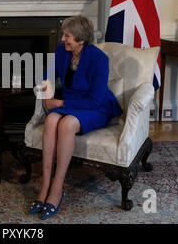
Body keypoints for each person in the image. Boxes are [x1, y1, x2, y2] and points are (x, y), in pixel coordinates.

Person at [29, 16, 123, 220]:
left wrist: (60, 104)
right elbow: (46, 76)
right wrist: (48, 93)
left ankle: (57, 187)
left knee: (66, 124)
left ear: (81, 40)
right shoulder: (62, 51)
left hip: (95, 107)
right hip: (71, 101)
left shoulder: (99, 59)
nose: (63, 39)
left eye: (67, 36)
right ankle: (45, 186)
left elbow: (96, 99)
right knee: (51, 120)